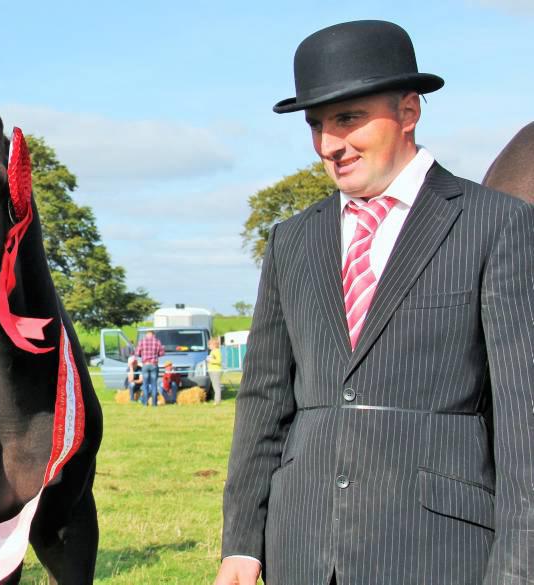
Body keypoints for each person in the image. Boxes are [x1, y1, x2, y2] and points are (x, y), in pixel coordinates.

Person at [216, 20, 533, 585]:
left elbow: (522, 418)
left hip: (439, 553)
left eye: (347, 119)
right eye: (316, 125)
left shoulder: (497, 223)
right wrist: (241, 543)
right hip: (302, 552)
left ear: (409, 111)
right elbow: (264, 400)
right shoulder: (291, 239)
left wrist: (517, 570)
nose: (328, 145)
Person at [134, 330, 165, 406]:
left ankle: (145, 403)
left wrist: (143, 355)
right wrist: (155, 354)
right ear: (153, 335)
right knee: (154, 385)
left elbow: (137, 353)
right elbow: (162, 353)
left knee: (145, 385)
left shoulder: (142, 342)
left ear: (147, 334)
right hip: (154, 365)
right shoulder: (157, 341)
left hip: (145, 365)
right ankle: (154, 404)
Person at [206, 337, 223, 404]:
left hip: (216, 371)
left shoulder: (217, 351)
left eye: (210, 344)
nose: (209, 346)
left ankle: (217, 401)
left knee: (216, 386)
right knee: (214, 385)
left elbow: (219, 361)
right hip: (212, 370)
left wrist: (210, 360)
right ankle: (216, 400)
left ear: (214, 345)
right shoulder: (212, 351)